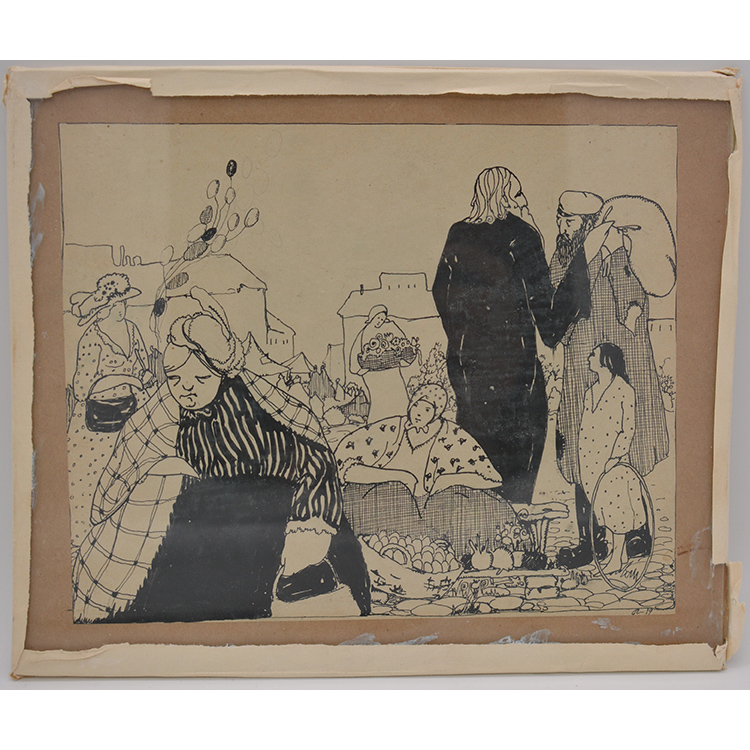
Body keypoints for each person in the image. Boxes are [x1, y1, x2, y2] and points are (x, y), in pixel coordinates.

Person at [72, 287, 370, 622]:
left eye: (200, 377)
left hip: (280, 506)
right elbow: (130, 457)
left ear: (220, 373)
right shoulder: (168, 412)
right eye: (174, 378)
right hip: (214, 517)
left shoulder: (249, 405)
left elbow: (309, 449)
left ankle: (304, 575)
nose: (186, 387)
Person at [432, 167, 590, 506]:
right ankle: (515, 524)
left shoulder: (458, 233)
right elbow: (550, 323)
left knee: (475, 456)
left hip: (468, 370)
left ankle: (480, 524)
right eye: (518, 194)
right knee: (518, 459)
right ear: (504, 197)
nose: (524, 200)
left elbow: (440, 293)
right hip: (515, 369)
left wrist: (464, 340)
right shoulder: (523, 235)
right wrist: (580, 266)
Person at [551, 192, 673, 568]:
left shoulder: (621, 253)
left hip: (622, 358)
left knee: (626, 445)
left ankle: (637, 532)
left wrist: (633, 311)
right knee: (580, 448)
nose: (562, 226)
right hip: (582, 361)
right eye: (560, 218)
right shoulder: (563, 258)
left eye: (570, 220)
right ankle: (590, 539)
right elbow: (555, 301)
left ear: (590, 223)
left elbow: (640, 293)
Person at [336, 384, 514, 557]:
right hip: (394, 507)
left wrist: (448, 480)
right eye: (416, 406)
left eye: (427, 409)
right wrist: (400, 477)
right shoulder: (393, 428)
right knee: (371, 495)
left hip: (434, 508)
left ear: (437, 413)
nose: (419, 413)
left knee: (471, 503)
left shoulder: (450, 433)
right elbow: (344, 462)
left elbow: (491, 477)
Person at [67, 273, 154, 548]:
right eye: (117, 304)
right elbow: (82, 389)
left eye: (124, 303)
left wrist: (145, 376)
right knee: (94, 484)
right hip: (98, 426)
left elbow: (141, 365)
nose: (122, 309)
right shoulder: (91, 339)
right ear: (104, 307)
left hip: (129, 413)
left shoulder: (132, 330)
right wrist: (125, 378)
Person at [578, 344, 647, 574]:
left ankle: (617, 557)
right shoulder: (590, 392)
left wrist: (615, 456)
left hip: (613, 461)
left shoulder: (624, 390)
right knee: (602, 507)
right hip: (591, 461)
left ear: (606, 361)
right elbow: (585, 427)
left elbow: (628, 429)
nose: (589, 358)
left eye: (593, 355)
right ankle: (617, 554)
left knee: (617, 508)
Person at [349, 305, 414, 423]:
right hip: (372, 374)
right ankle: (377, 422)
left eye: (382, 319)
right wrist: (360, 370)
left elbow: (404, 344)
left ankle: (404, 418)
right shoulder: (364, 332)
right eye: (378, 318)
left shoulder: (391, 327)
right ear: (372, 317)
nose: (380, 321)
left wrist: (403, 359)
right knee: (379, 397)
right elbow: (355, 357)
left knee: (398, 392)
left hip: (391, 370)